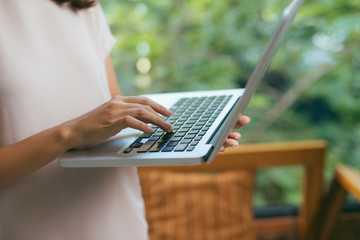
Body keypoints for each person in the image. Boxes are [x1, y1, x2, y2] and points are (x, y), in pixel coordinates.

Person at [0, 0, 251, 239]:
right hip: (30, 226)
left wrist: (191, 135)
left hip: (118, 217)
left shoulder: (83, 5)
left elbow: (114, 117)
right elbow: (87, 125)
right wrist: (70, 134)